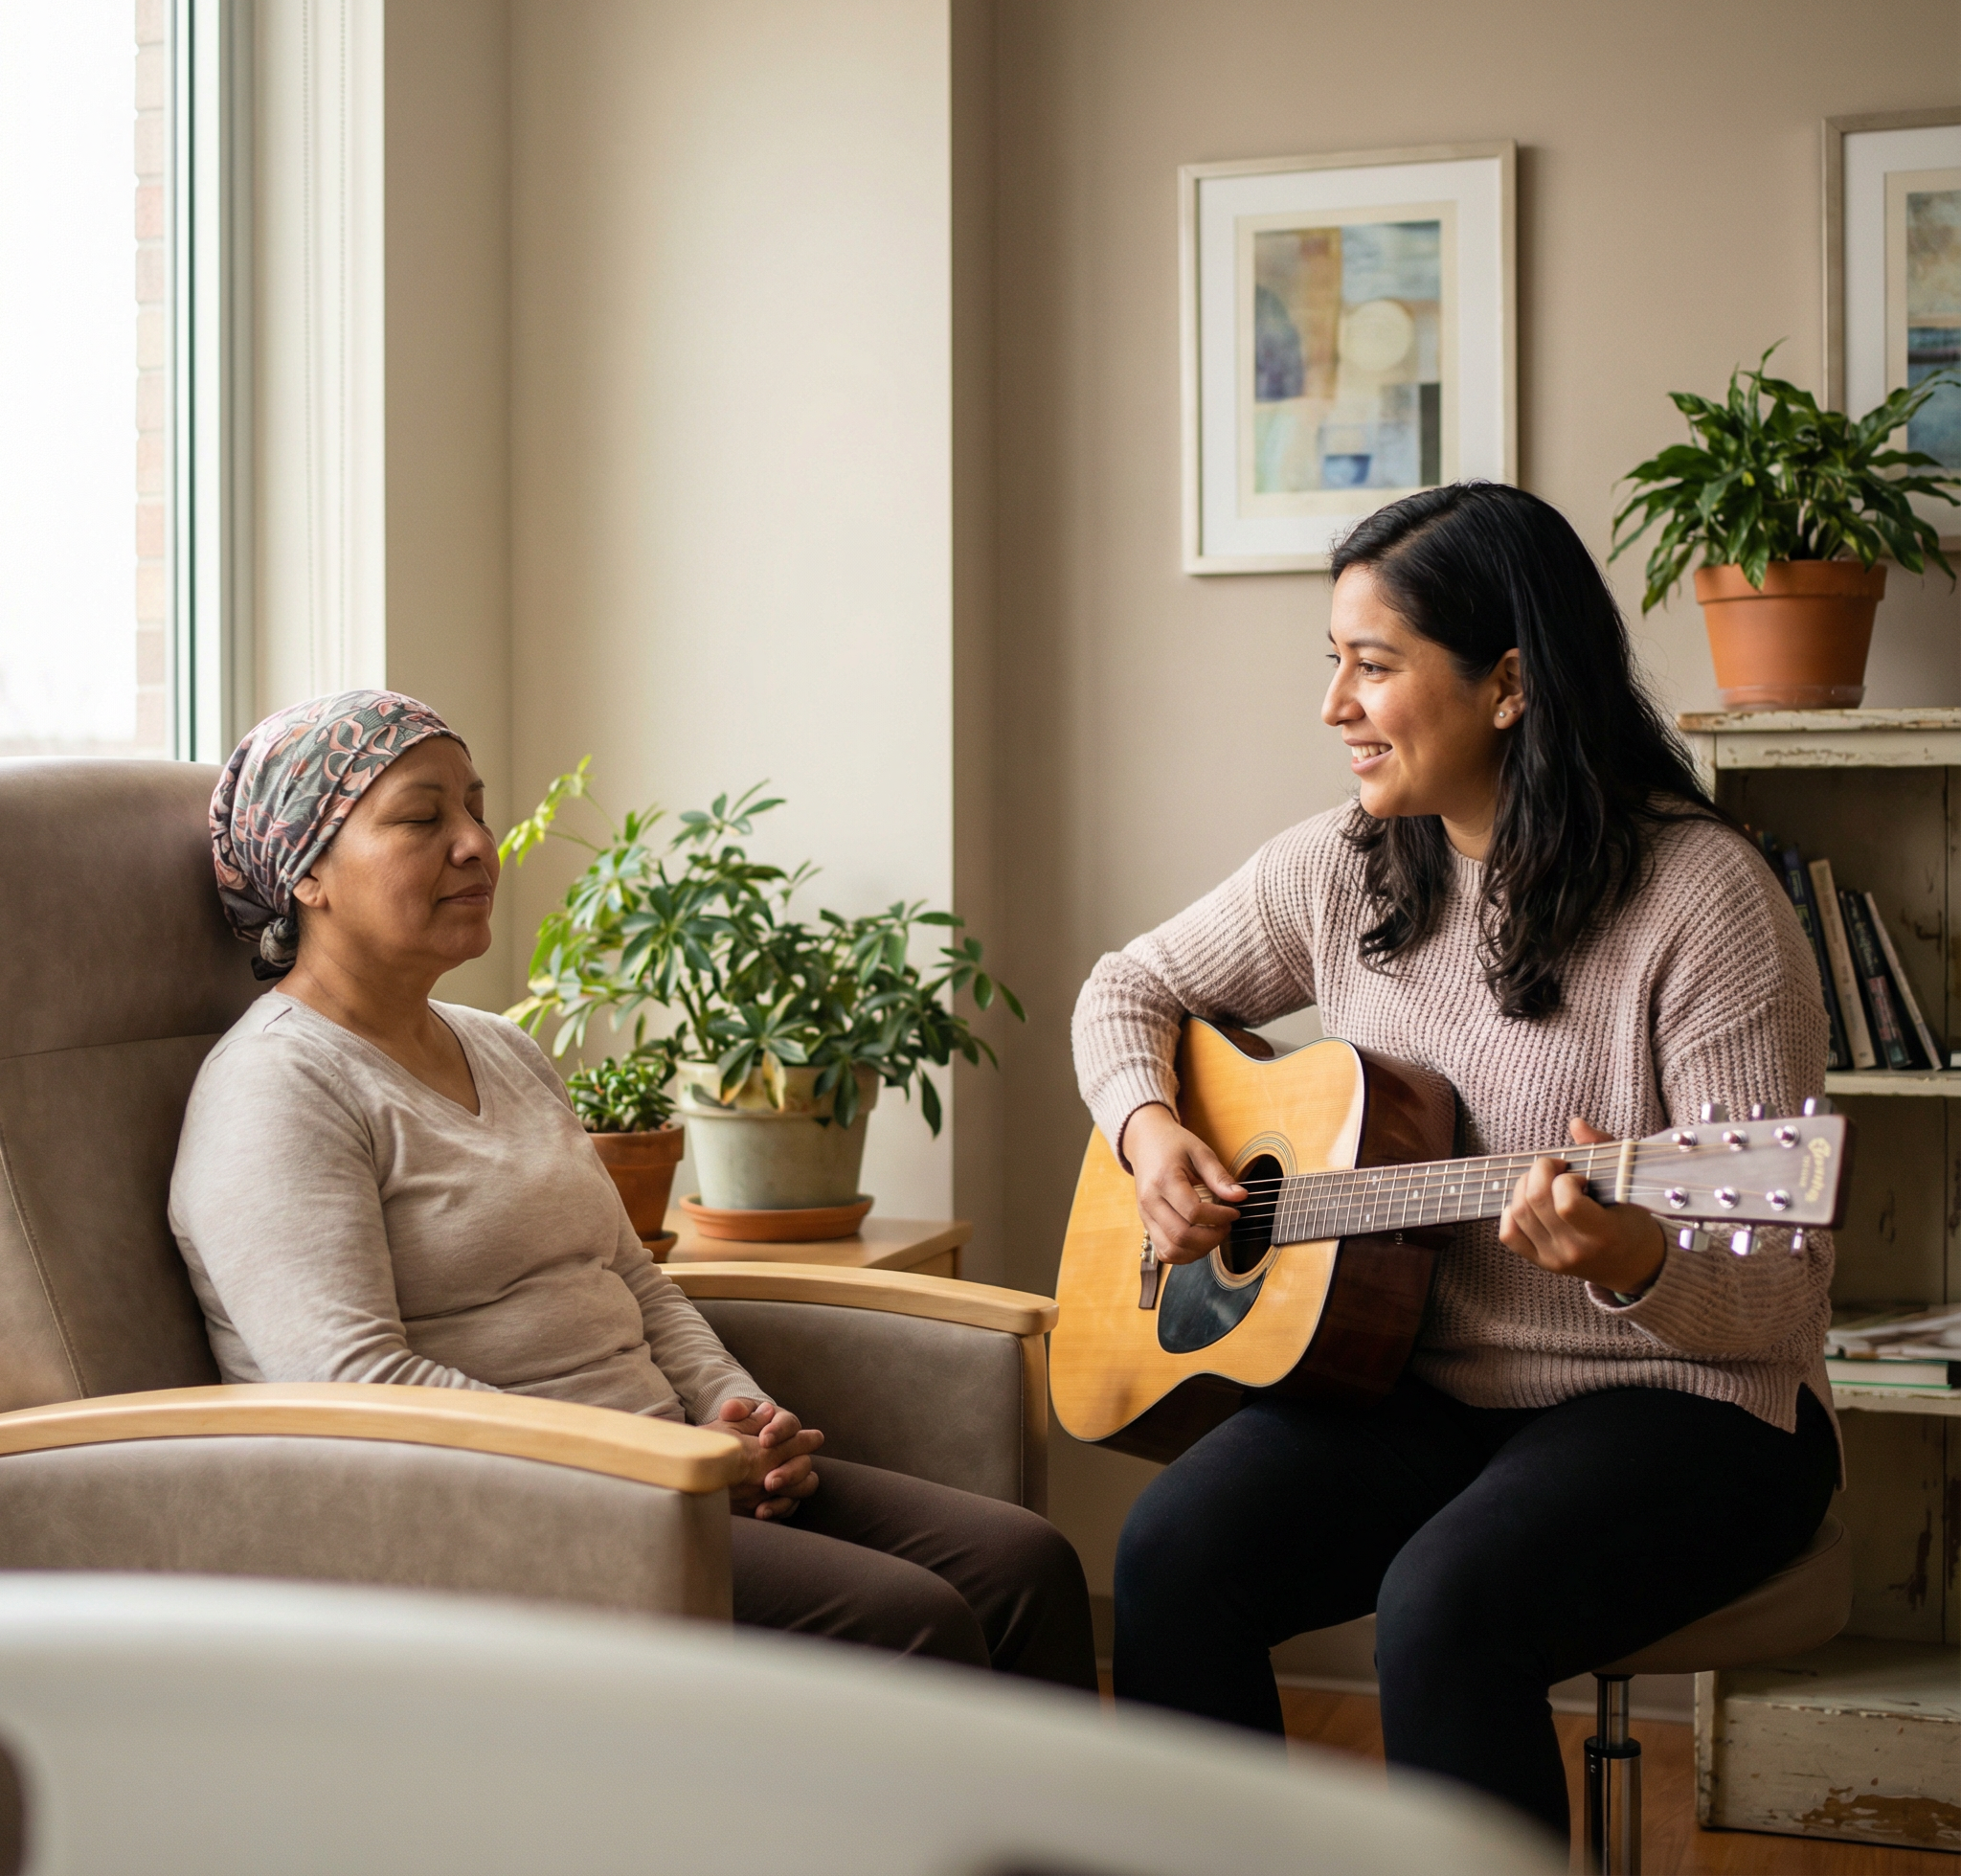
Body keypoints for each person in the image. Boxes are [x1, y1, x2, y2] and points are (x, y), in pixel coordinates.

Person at [1071, 483, 1838, 1842]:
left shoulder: (1704, 900)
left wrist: (1633, 1255)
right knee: (1171, 1554)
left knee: (1445, 1605)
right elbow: (1123, 988)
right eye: (1334, 664)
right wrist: (1150, 1131)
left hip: (1690, 1404)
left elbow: (1779, 1293)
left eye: (1374, 667)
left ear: (1507, 684)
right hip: (1415, 1376)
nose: (1335, 707)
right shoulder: (1341, 871)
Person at [171, 690, 1093, 1690]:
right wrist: (650, 1463)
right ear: (306, 871)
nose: (479, 842)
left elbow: (634, 1279)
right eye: (423, 816)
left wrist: (735, 1407)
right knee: (906, 1620)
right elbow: (355, 1384)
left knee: (1024, 1565)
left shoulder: (501, 1044)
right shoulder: (276, 1087)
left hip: (654, 1467)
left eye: (476, 808)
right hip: (491, 1521)